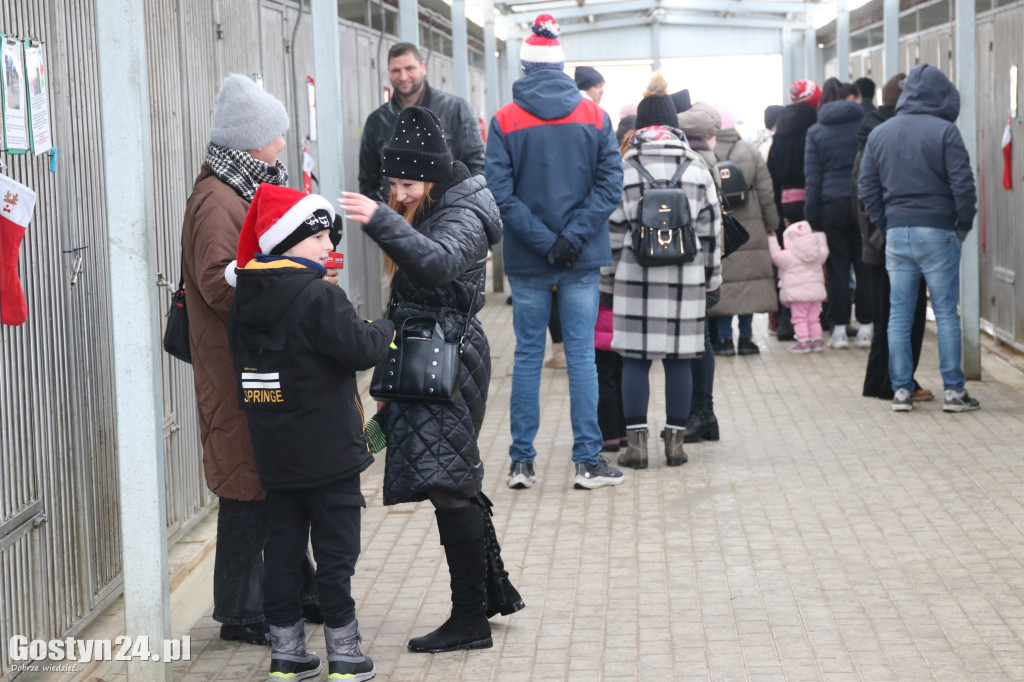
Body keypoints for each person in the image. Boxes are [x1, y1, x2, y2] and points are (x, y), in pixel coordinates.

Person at [340, 105, 523, 653]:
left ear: (436, 175)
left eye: (409, 183)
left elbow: (439, 263)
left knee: (450, 484)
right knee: (454, 480)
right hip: (426, 354)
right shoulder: (435, 202)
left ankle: (470, 618)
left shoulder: (463, 210)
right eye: (392, 185)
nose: (400, 194)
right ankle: (487, 598)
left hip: (446, 358)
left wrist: (380, 220)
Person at [226, 185, 391, 682]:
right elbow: (360, 348)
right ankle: (344, 652)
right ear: (290, 239)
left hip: (275, 453)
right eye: (319, 236)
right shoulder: (318, 294)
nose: (327, 246)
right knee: (337, 552)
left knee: (282, 550)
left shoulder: (244, 299)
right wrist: (386, 328)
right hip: (330, 454)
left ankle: (287, 653)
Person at [181, 73, 324, 646]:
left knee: (270, 479)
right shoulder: (218, 200)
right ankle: (240, 610)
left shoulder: (239, 188)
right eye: (275, 135)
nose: (283, 144)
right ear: (250, 141)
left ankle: (299, 589)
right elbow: (218, 285)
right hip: (230, 365)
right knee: (245, 485)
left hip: (248, 360)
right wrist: (282, 283)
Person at [485, 13, 625, 490]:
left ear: (524, 69)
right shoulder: (595, 116)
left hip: (528, 259)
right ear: (563, 67)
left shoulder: (504, 120)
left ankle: (521, 463)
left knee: (527, 355)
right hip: (581, 258)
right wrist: (571, 238)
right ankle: (587, 461)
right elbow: (610, 186)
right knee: (582, 356)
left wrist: (545, 242)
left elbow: (500, 195)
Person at [609, 74, 722, 470]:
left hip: (634, 279)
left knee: (634, 361)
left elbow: (612, 231)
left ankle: (637, 448)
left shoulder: (624, 168)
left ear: (640, 127)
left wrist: (607, 282)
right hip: (686, 280)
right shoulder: (696, 169)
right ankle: (675, 447)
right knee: (679, 360)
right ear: (674, 125)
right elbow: (711, 233)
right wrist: (712, 282)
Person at [859, 63, 980, 413]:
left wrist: (886, 223)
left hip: (898, 233)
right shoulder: (945, 131)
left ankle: (900, 392)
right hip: (939, 231)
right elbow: (963, 185)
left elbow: (867, 187)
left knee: (899, 315)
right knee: (944, 314)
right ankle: (955, 393)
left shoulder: (881, 133)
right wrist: (962, 226)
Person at [853, 73, 933, 402]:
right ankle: (897, 383)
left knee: (888, 316)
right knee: (906, 317)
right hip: (891, 240)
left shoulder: (871, 133)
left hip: (876, 241)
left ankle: (877, 382)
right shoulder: (891, 137)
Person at [358, 42, 485, 201]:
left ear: (423, 68)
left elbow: (477, 167)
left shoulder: (455, 108)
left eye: (410, 68)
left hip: (447, 215)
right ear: (388, 72)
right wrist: (381, 220)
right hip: (397, 218)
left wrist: (462, 211)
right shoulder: (376, 121)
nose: (403, 77)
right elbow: (368, 182)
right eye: (396, 71)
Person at [805, 79, 872, 349]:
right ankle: (867, 328)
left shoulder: (816, 131)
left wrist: (812, 217)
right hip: (862, 202)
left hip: (830, 204)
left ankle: (839, 331)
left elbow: (813, 178)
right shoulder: (864, 124)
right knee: (865, 265)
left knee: (836, 270)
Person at [709, 106, 780, 357]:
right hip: (751, 228)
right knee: (749, 283)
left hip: (721, 228)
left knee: (724, 283)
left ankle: (725, 340)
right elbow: (765, 192)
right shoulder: (750, 150)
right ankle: (748, 339)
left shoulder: (708, 153)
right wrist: (772, 225)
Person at [674, 100, 724, 442]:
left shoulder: (693, 161)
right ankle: (703, 414)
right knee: (700, 338)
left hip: (695, 261)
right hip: (707, 259)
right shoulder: (707, 157)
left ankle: (701, 412)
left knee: (698, 341)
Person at [767, 80, 820, 342]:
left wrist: (776, 209)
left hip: (785, 201)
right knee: (813, 259)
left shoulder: (781, 132)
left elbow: (771, 172)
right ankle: (816, 319)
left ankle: (787, 319)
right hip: (810, 200)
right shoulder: (816, 127)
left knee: (790, 262)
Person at [768, 220, 829, 352]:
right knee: (814, 318)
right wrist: (820, 236)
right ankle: (817, 340)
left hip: (797, 295)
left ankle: (803, 341)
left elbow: (775, 255)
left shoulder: (789, 256)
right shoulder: (817, 254)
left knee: (799, 318)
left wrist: (772, 239)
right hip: (815, 294)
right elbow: (825, 250)